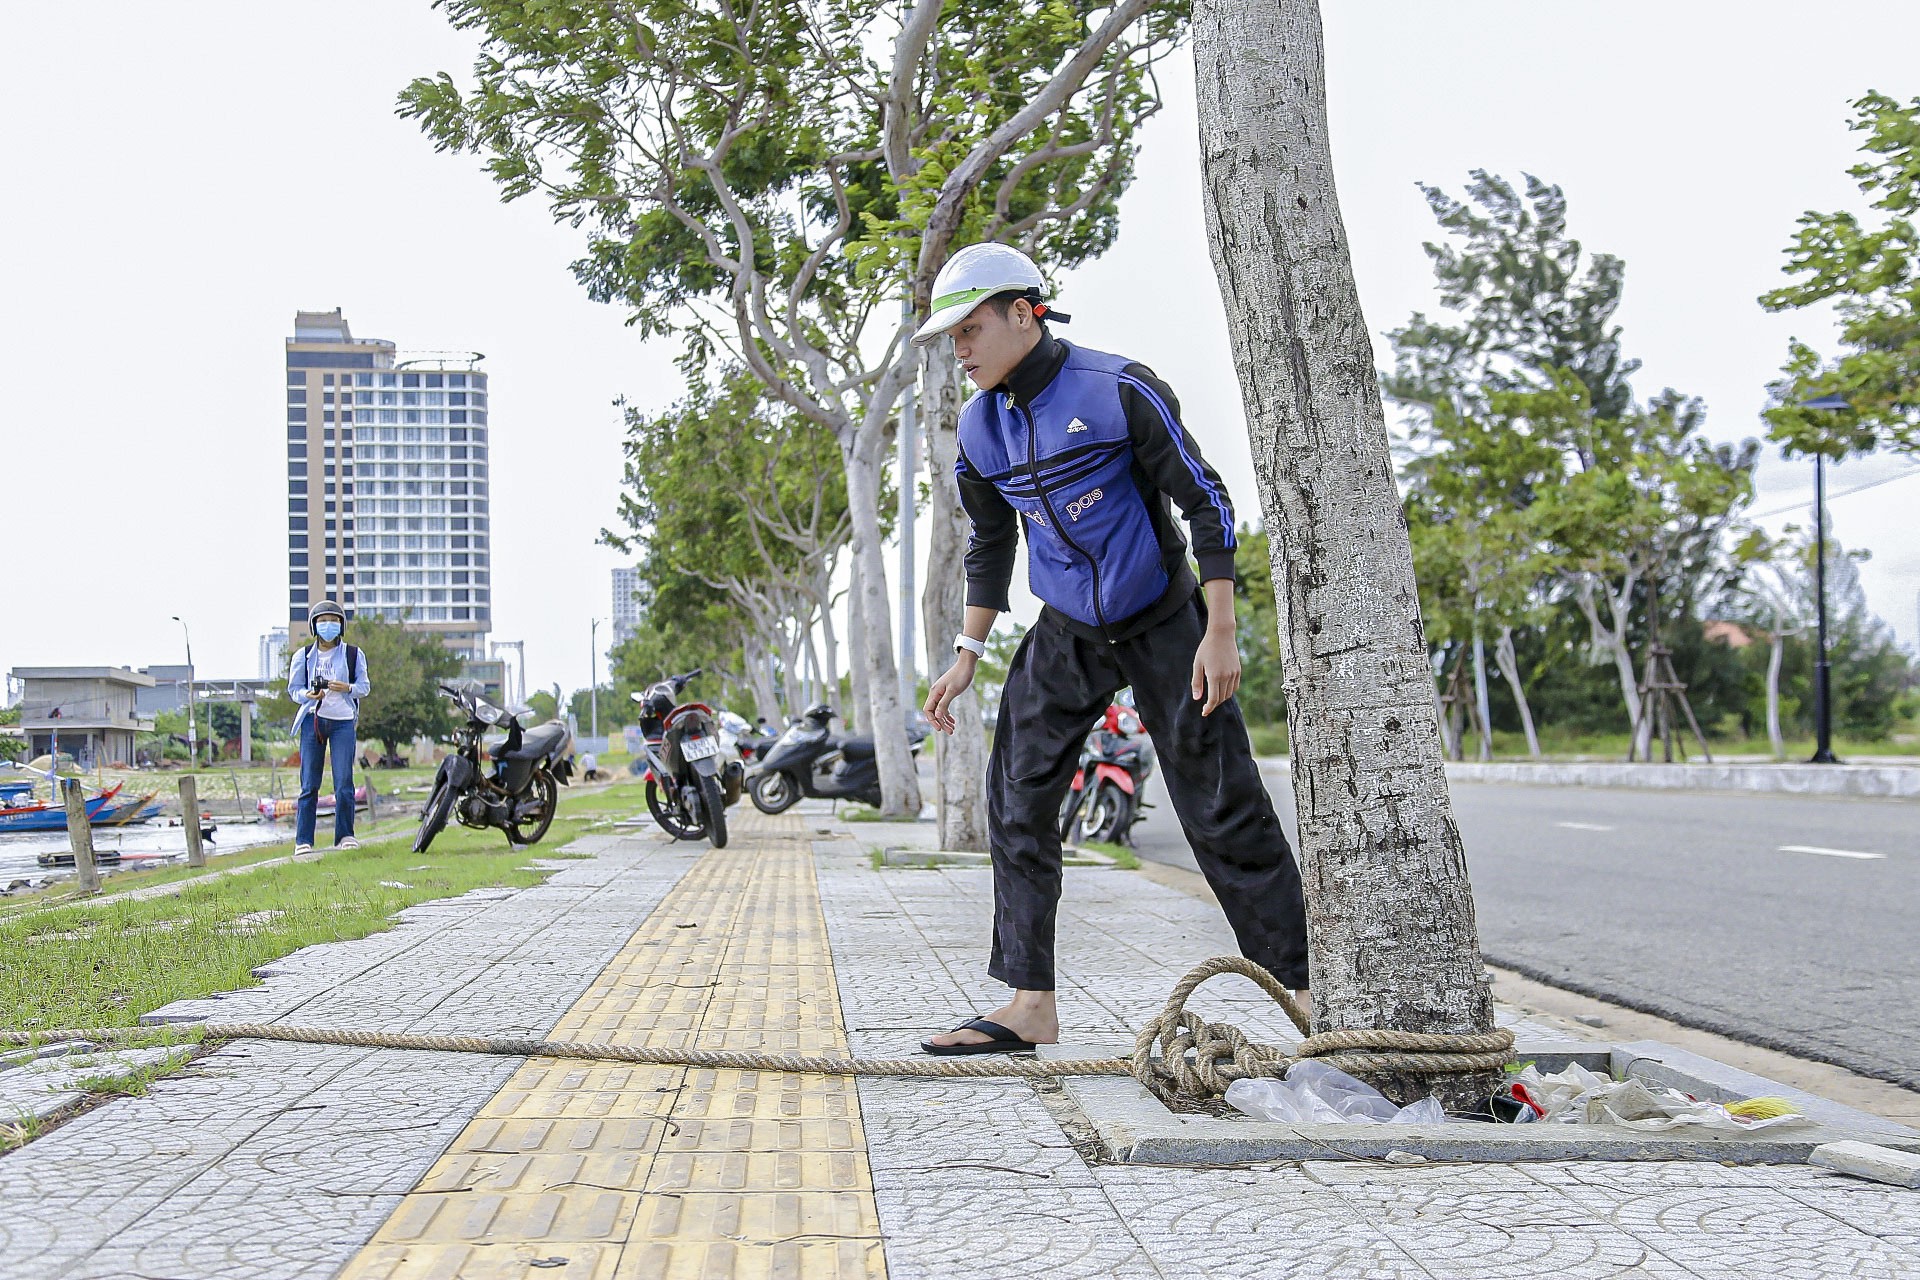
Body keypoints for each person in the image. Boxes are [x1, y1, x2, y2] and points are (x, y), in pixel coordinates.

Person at [916, 243, 1311, 1055]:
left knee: (1219, 803)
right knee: (1017, 796)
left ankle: (1304, 988)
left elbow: (1207, 504)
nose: (959, 347)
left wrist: (1220, 627)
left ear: (1024, 313)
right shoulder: (980, 427)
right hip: (1065, 630)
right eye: (950, 335)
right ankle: (1030, 1004)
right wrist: (968, 652)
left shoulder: (1117, 388)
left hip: (1165, 617)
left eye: (971, 328)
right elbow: (990, 543)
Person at [287, 600, 371, 855]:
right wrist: (308, 695)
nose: (328, 626)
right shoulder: (302, 656)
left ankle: (345, 835)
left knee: (344, 781)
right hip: (313, 721)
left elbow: (364, 687)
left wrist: (346, 688)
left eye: (333, 621)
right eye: (323, 621)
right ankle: (303, 840)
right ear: (314, 626)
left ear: (341, 626)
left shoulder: (353, 654)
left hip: (343, 721)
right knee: (309, 784)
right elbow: (294, 690)